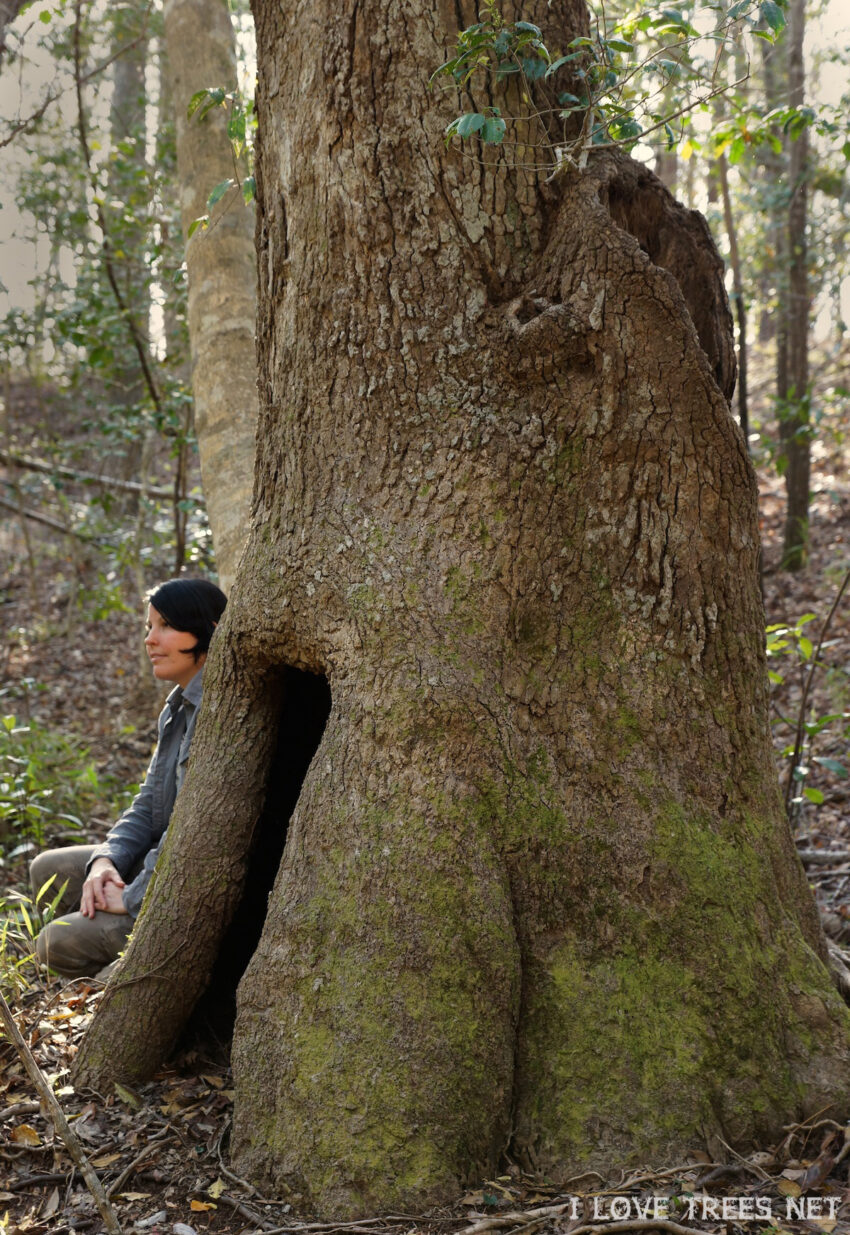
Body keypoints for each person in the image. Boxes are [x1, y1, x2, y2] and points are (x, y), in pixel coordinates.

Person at [29, 577, 227, 980]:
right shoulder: (177, 706)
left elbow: (197, 838)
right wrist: (106, 860)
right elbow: (147, 803)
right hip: (159, 862)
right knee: (46, 869)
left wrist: (133, 897)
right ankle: (102, 966)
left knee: (53, 942)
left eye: (165, 626)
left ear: (207, 629)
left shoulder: (219, 712)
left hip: (187, 887)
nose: (150, 640)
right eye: (148, 627)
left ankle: (119, 978)